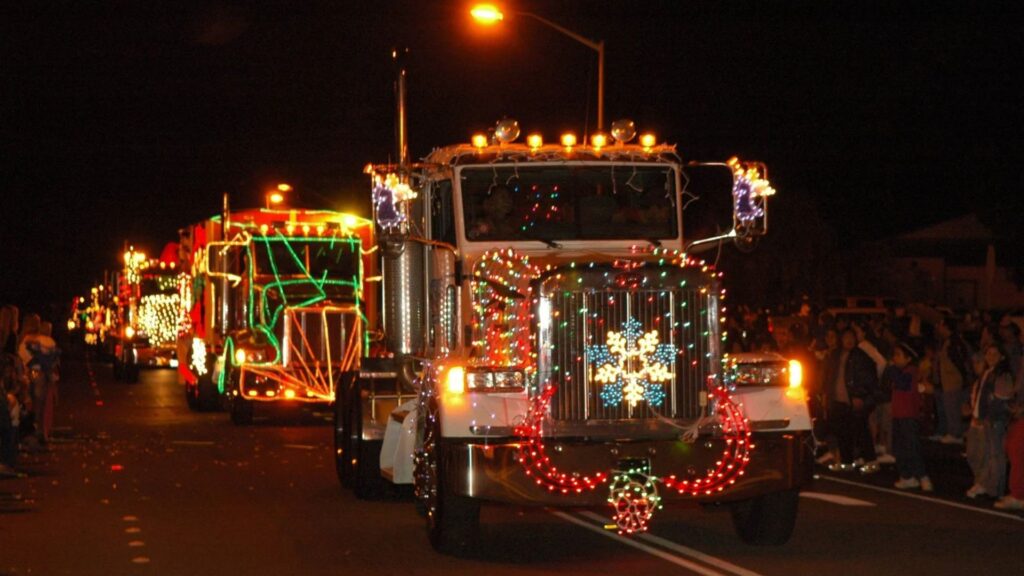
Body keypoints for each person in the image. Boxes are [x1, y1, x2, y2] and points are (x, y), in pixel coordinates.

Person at [824, 328, 880, 472]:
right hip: (838, 400)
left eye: (852, 337)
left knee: (861, 432)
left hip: (854, 400)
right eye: (846, 337)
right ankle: (847, 462)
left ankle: (871, 461)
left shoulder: (860, 356)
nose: (849, 340)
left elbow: (867, 378)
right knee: (842, 433)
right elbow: (829, 377)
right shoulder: (835, 355)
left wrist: (859, 396)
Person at [965, 344, 1014, 499]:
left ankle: (994, 488)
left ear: (1002, 356)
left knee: (994, 455)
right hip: (981, 419)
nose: (991, 356)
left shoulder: (1002, 375)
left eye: (995, 353)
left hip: (993, 421)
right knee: (976, 453)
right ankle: (983, 482)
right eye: (988, 353)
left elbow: (1001, 400)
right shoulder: (987, 373)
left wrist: (989, 418)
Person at [887, 343, 932, 491]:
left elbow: (902, 384)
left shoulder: (911, 371)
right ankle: (907, 476)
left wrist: (891, 368)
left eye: (899, 355)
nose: (895, 358)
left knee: (912, 447)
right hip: (898, 415)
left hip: (909, 416)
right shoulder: (900, 372)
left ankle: (923, 476)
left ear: (908, 359)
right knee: (900, 448)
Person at [18, 315, 60, 447]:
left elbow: (22, 357)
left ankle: (31, 430)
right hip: (40, 375)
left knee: (30, 404)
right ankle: (38, 430)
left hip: (28, 374)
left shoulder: (25, 340)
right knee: (40, 404)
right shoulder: (44, 341)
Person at [932, 317, 971, 444]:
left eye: (940, 325)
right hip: (947, 383)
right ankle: (951, 432)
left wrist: (965, 380)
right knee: (948, 409)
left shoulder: (953, 343)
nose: (938, 328)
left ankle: (955, 434)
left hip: (954, 382)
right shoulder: (946, 342)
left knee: (953, 409)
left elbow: (960, 362)